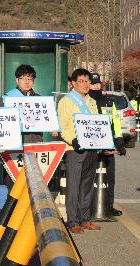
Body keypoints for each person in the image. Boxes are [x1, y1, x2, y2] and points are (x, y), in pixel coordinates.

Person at [58, 68, 100, 234]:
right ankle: (73, 221)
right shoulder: (66, 102)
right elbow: (63, 127)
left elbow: (97, 123)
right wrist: (73, 140)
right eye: (81, 81)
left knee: (87, 185)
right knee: (74, 186)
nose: (85, 84)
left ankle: (85, 218)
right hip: (74, 149)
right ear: (73, 83)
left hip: (91, 147)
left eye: (87, 81)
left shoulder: (92, 102)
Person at [89, 73, 125, 218]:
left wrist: (120, 141)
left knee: (110, 178)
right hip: (91, 146)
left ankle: (108, 206)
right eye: (94, 83)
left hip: (108, 144)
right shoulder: (85, 101)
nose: (97, 86)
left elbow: (115, 121)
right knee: (90, 177)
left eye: (98, 84)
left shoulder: (109, 101)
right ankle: (89, 207)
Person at [0, 64, 42, 143]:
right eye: (23, 79)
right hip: (14, 143)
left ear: (33, 81)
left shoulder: (39, 99)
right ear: (17, 80)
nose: (27, 82)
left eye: (30, 79)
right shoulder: (8, 98)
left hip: (35, 142)